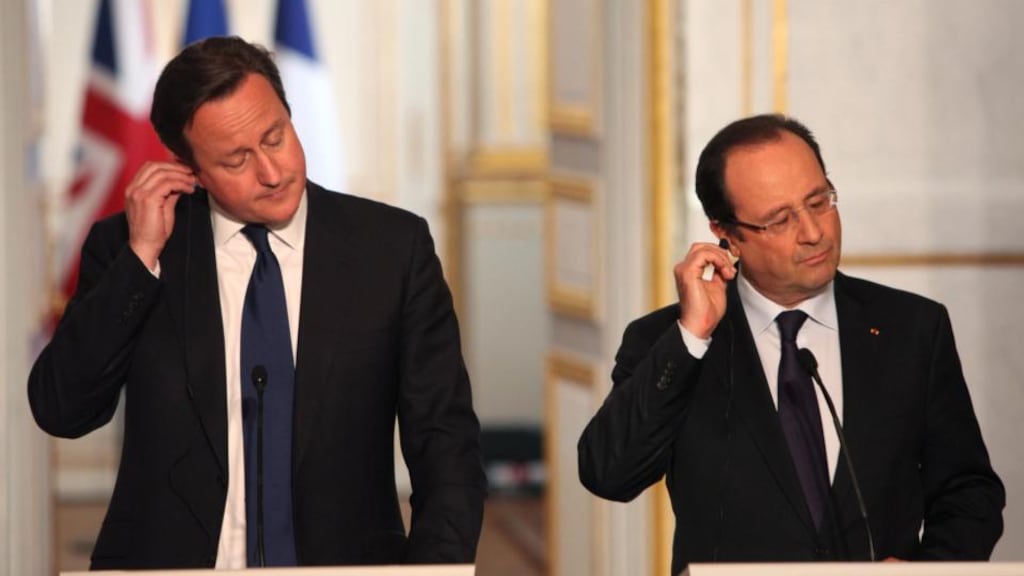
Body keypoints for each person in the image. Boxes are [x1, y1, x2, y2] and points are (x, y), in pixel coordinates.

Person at [29, 37, 485, 569]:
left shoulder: (391, 250)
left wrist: (433, 569)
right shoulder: (131, 250)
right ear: (190, 170)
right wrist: (141, 260)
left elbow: (445, 443)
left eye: (276, 137)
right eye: (237, 159)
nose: (271, 172)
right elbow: (62, 410)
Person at [578, 114, 1004, 574]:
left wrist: (930, 569)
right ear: (727, 233)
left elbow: (968, 489)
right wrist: (691, 338)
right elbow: (609, 473)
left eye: (819, 202)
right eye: (780, 220)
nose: (813, 231)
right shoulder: (668, 343)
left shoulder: (913, 328)